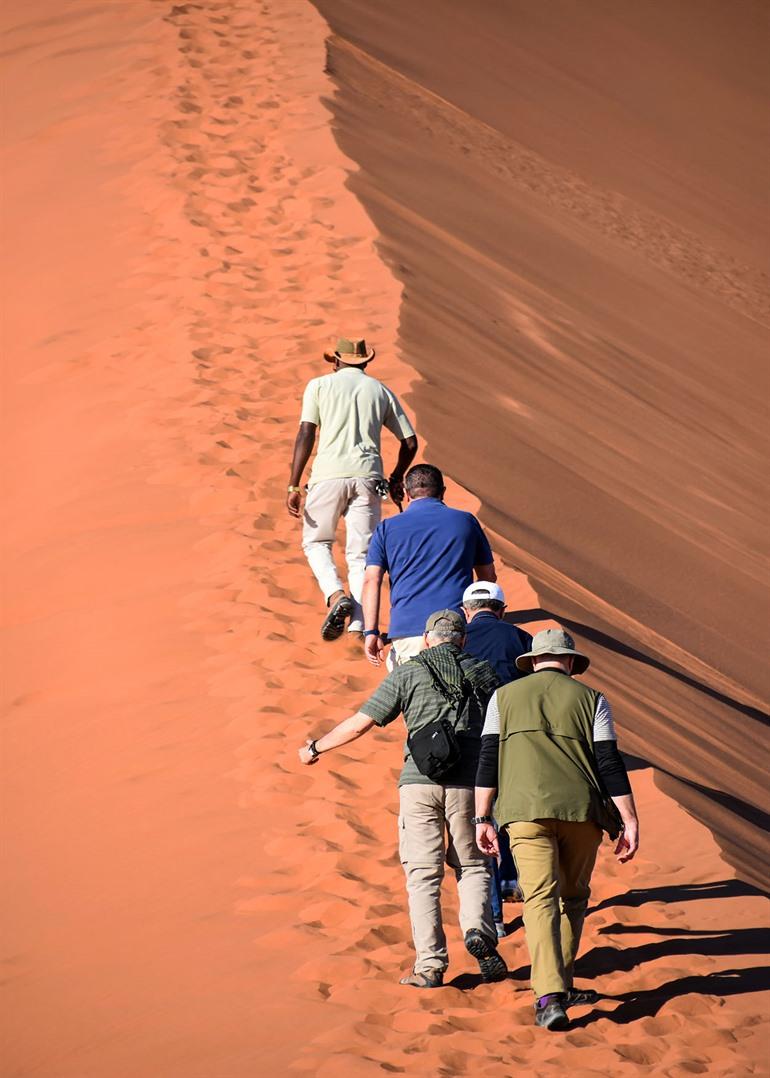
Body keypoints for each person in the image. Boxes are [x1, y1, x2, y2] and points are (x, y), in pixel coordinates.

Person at [298, 609, 507, 989]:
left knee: (423, 876)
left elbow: (363, 721)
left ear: (428, 639)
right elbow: (501, 736)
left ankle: (429, 965)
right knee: (473, 867)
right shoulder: (485, 675)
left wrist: (317, 746)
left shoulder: (409, 672)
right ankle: (479, 932)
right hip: (471, 787)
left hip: (418, 783)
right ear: (463, 639)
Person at [474, 628, 639, 1031]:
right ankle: (558, 986)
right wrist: (630, 819)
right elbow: (609, 763)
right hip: (583, 813)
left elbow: (488, 759)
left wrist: (482, 817)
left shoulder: (502, 698)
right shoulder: (593, 700)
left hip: (524, 813)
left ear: (532, 662)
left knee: (539, 900)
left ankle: (549, 996)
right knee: (574, 898)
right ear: (569, 661)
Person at [287, 336, 418, 641]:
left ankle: (335, 596)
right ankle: (360, 626)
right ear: (366, 361)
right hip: (368, 479)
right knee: (361, 555)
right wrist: (397, 476)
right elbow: (409, 442)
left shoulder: (318, 386)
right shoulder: (380, 390)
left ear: (336, 360)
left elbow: (306, 431)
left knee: (316, 543)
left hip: (327, 476)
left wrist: (294, 483)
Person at [362, 464, 496, 667]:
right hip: (456, 629)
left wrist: (371, 632)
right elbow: (488, 579)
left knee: (413, 696)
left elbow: (372, 580)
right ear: (443, 492)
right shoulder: (466, 521)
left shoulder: (386, 528)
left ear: (407, 494)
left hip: (406, 632)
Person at [461, 580, 533, 936]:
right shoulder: (521, 638)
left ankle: (495, 918)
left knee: (481, 821)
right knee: (511, 813)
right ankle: (512, 880)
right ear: (501, 610)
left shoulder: (457, 640)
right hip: (515, 740)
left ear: (466, 612)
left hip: (472, 744)